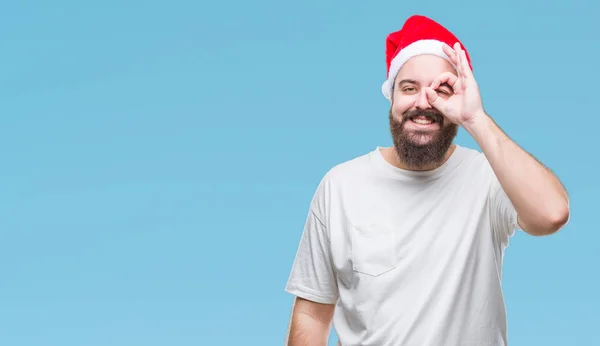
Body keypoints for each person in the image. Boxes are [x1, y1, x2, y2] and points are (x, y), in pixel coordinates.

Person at [283, 14, 570, 346]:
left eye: (441, 90)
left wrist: (475, 118)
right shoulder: (340, 186)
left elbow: (552, 214)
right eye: (409, 88)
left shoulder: (489, 177)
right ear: (391, 97)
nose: (423, 103)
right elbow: (312, 313)